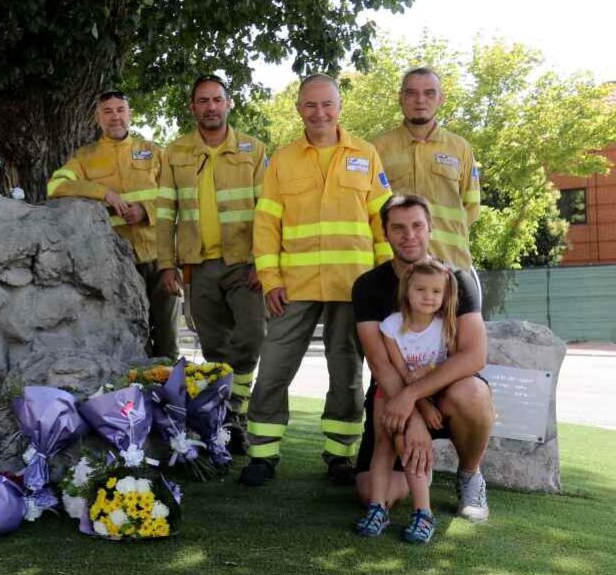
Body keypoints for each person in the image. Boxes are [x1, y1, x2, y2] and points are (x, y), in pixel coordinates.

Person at [240, 74, 392, 487]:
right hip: (294, 285)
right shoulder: (283, 160)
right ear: (298, 109)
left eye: (327, 104)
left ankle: (341, 456)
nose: (319, 112)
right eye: (310, 105)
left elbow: (383, 220)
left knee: (346, 371)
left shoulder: (366, 153)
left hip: (354, 286)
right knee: (273, 366)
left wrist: (387, 279)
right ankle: (262, 454)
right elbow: (267, 224)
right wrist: (270, 279)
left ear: (340, 107)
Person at [352, 193, 494, 524]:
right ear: (385, 233)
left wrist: (415, 396)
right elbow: (380, 363)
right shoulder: (368, 286)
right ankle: (418, 466)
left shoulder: (456, 281)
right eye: (398, 227)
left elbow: (475, 355)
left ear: (430, 227)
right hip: (392, 391)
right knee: (372, 494)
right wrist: (412, 416)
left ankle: (470, 475)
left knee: (473, 393)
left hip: (442, 392)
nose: (409, 235)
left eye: (417, 225)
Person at [159, 75, 267, 452]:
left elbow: (267, 213)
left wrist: (263, 262)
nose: (210, 107)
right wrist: (166, 264)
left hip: (244, 262)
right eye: (203, 101)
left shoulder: (254, 149)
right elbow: (164, 212)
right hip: (197, 264)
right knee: (213, 346)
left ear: (229, 104)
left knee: (252, 336)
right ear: (193, 107)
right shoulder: (174, 152)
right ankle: (224, 418)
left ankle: (238, 405)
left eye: (217, 100)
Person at [47, 90, 177, 358]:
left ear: (129, 114)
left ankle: (172, 396)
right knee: (130, 338)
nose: (115, 116)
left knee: (168, 337)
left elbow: (178, 198)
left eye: (120, 110)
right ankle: (134, 397)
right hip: (118, 262)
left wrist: (146, 211)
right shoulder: (85, 158)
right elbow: (56, 186)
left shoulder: (154, 153)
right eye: (107, 111)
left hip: (160, 259)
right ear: (98, 118)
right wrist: (103, 193)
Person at [356, 259, 459, 543]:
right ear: (407, 291)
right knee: (384, 445)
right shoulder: (391, 326)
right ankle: (378, 508)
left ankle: (423, 513)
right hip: (390, 392)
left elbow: (441, 369)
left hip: (426, 393)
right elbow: (399, 370)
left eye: (436, 292)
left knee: (409, 446)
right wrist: (420, 406)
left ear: (445, 295)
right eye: (421, 290)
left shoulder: (444, 328)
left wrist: (425, 399)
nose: (429, 297)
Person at [371, 67, 481, 271]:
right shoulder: (377, 149)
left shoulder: (460, 148)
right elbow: (371, 211)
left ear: (441, 99)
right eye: (411, 93)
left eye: (429, 93)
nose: (420, 100)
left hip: (450, 265)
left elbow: (471, 208)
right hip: (396, 269)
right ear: (400, 98)